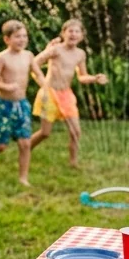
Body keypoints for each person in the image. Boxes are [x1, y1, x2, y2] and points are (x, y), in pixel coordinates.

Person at [0, 20, 48, 185]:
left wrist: (44, 87)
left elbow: (37, 74)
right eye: (17, 37)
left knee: (25, 143)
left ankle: (23, 178)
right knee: (1, 145)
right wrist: (6, 86)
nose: (22, 40)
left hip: (22, 105)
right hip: (3, 105)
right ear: (7, 39)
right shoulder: (2, 58)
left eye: (24, 36)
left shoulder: (28, 56)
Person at [29, 18, 108, 167]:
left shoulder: (80, 54)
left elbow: (81, 76)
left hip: (66, 95)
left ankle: (73, 162)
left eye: (77, 31)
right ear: (63, 33)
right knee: (45, 133)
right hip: (49, 94)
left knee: (76, 132)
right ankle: (27, 149)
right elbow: (34, 63)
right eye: (70, 31)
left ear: (81, 36)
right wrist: (41, 81)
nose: (73, 34)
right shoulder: (55, 49)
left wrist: (94, 78)